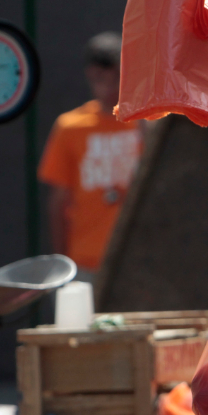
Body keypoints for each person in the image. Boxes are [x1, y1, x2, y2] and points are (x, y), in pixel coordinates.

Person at [39, 32, 142, 280]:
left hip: (137, 261)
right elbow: (58, 202)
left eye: (116, 77)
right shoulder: (70, 127)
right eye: (99, 79)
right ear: (89, 75)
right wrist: (63, 265)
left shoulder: (149, 123)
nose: (108, 88)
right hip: (85, 261)